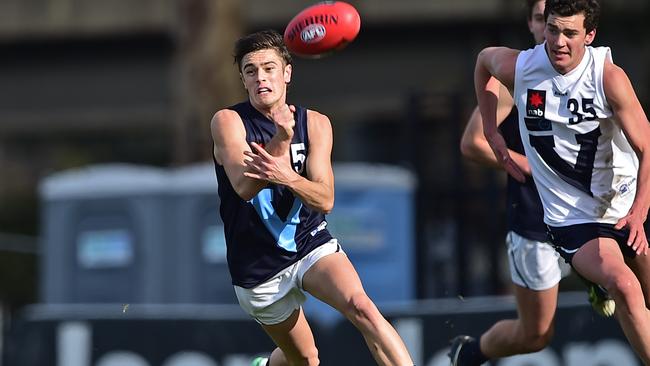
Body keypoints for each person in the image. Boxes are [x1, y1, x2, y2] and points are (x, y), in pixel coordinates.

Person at [209, 29, 414, 366]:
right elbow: (244, 187)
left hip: (309, 243)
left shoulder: (316, 124)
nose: (261, 77)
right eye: (251, 70)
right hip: (257, 265)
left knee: (362, 307)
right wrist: (282, 138)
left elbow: (325, 199)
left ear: (287, 73)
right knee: (304, 359)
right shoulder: (228, 122)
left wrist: (289, 175)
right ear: (243, 80)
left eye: (269, 67)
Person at [473, 0, 650, 362]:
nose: (558, 41)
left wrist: (639, 211)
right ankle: (473, 352)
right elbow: (483, 62)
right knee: (625, 288)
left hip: (623, 205)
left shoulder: (608, 78)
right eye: (552, 29)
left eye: (570, 32)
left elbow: (647, 145)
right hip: (572, 219)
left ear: (590, 35)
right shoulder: (522, 67)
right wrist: (492, 132)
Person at [449, 1, 613, 364]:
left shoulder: (598, 73)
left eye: (561, 25)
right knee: (536, 334)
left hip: (588, 213)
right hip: (534, 218)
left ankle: (596, 281)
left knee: (633, 286)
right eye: (543, 21)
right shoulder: (520, 74)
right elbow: (472, 142)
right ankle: (471, 353)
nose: (551, 32)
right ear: (532, 24)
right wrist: (536, 166)